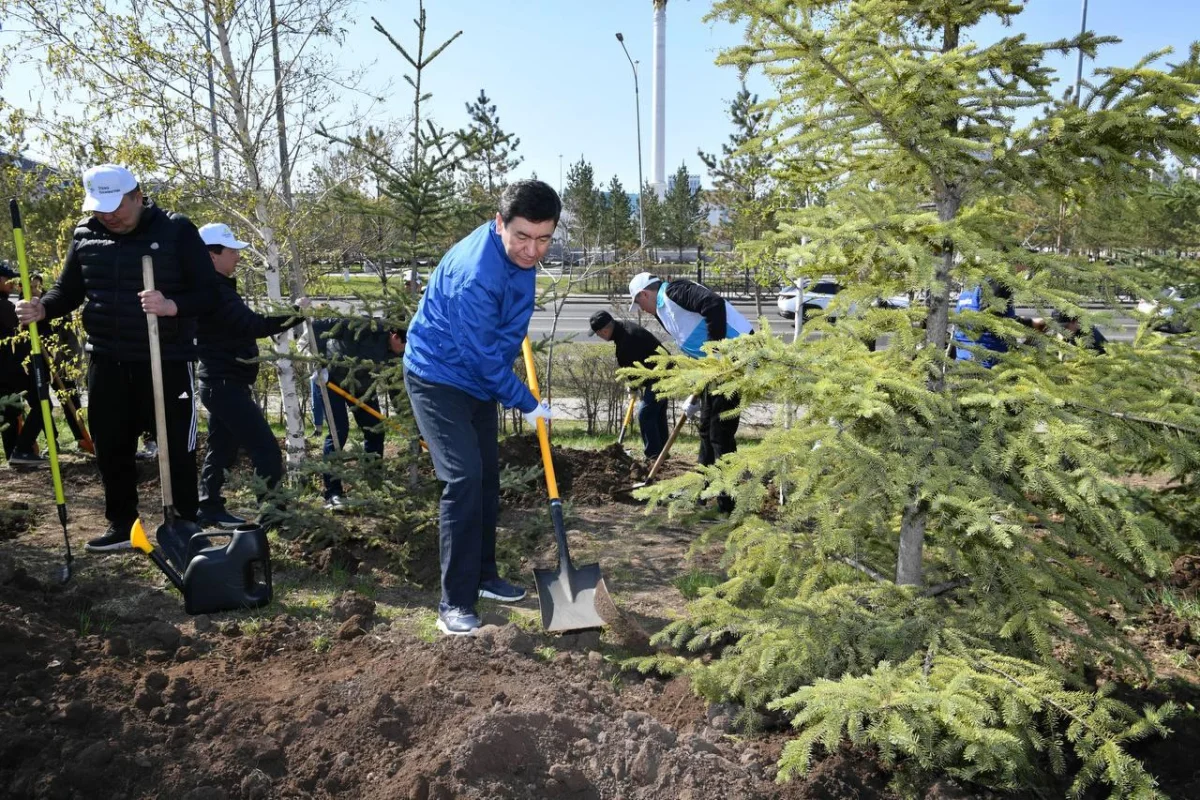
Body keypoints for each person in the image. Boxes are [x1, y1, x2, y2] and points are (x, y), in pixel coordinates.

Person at [16, 164, 219, 552]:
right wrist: (43, 309)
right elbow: (69, 290)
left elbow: (209, 293)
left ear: (138, 196)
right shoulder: (86, 234)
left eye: (117, 207)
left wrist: (171, 305)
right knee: (111, 445)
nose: (109, 216)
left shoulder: (176, 230)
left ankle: (185, 524)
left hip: (165, 358)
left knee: (176, 445)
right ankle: (124, 526)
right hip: (106, 357)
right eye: (99, 208)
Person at [404, 179, 560, 636]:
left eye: (544, 238)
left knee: (487, 478)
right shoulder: (474, 275)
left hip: (477, 380)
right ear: (500, 224)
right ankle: (453, 602)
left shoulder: (516, 254)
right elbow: (481, 356)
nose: (533, 250)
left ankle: (485, 576)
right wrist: (527, 402)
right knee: (463, 478)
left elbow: (500, 334)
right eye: (523, 237)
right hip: (438, 377)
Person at [195, 222, 307, 528]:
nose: (237, 257)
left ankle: (208, 506)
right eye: (231, 251)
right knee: (266, 448)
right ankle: (273, 514)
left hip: (223, 383)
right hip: (224, 383)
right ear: (211, 255)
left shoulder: (216, 289)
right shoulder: (215, 293)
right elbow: (253, 325)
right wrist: (295, 313)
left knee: (222, 448)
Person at [628, 272, 753, 514]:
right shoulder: (664, 311)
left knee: (720, 434)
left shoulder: (675, 291)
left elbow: (713, 304)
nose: (641, 309)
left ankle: (730, 505)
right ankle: (702, 492)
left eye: (639, 303)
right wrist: (699, 384)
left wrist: (714, 348)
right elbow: (693, 345)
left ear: (645, 294)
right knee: (706, 428)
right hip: (714, 369)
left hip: (733, 359)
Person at [317, 317, 405, 511]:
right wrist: (320, 362)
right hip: (331, 380)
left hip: (362, 388)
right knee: (338, 432)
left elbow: (395, 388)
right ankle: (333, 493)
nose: (404, 349)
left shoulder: (397, 353)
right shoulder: (370, 327)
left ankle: (373, 486)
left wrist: (406, 418)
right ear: (394, 335)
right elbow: (320, 325)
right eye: (403, 344)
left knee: (375, 429)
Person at [589, 309, 670, 459]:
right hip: (662, 370)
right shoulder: (624, 329)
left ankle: (654, 456)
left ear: (605, 330)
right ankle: (662, 454)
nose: (599, 337)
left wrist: (632, 387)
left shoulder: (626, 341)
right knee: (656, 414)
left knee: (645, 414)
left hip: (661, 374)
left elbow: (632, 370)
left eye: (598, 333)